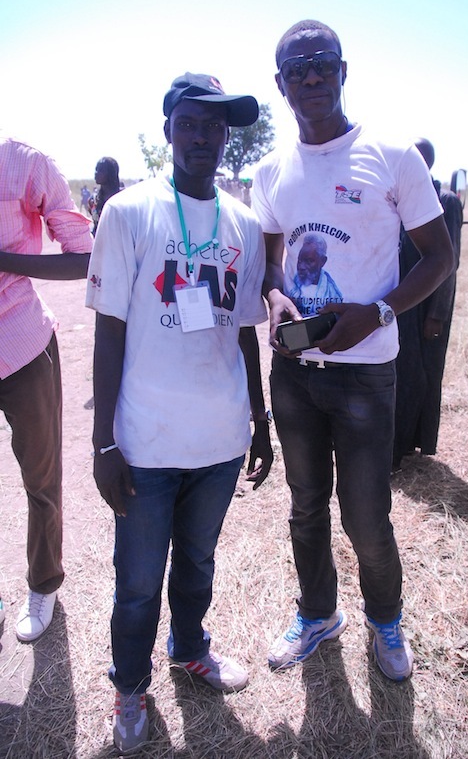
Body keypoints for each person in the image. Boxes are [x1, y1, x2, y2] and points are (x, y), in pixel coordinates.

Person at [251, 20, 454, 682]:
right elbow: (270, 264)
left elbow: (439, 255)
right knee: (305, 504)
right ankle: (317, 614)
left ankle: (385, 622)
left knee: (365, 515)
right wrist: (277, 300)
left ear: (343, 71)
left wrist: (379, 311)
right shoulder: (270, 171)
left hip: (366, 376)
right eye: (297, 69)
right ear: (280, 85)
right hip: (296, 374)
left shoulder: (391, 156)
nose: (311, 77)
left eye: (322, 64)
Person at [85, 72, 273, 754]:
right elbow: (108, 333)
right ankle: (130, 685)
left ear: (227, 138)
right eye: (190, 123)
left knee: (196, 561)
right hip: (146, 442)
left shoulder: (243, 223)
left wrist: (260, 418)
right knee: (137, 582)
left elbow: (245, 328)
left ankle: (190, 648)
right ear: (169, 129)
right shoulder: (129, 212)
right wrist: (104, 443)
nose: (203, 137)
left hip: (218, 441)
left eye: (215, 126)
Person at [0, 135, 92, 641]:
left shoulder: (23, 164)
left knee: (41, 480)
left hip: (21, 344)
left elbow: (83, 258)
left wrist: (3, 259)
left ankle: (44, 582)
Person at [393, 138, 463, 471]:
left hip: (428, 305)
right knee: (404, 372)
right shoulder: (399, 195)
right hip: (404, 298)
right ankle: (401, 441)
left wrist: (437, 314)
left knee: (421, 374)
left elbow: (448, 262)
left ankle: (409, 442)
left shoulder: (445, 200)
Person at [89, 156, 121, 235]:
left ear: (111, 174)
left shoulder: (122, 198)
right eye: (96, 169)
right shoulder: (93, 200)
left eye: (101, 170)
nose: (96, 173)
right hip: (98, 243)